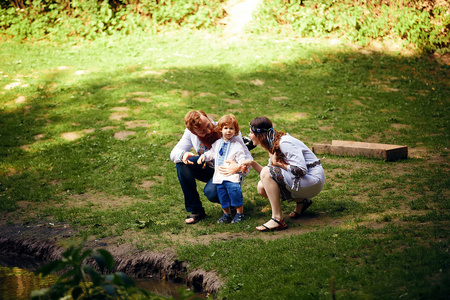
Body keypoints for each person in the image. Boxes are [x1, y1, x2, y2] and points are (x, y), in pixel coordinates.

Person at [170, 110, 253, 224]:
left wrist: (238, 167)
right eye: (202, 131)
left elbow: (248, 156)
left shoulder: (226, 128)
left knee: (211, 192)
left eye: (208, 125)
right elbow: (174, 152)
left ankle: (233, 200)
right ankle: (196, 210)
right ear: (194, 132)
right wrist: (183, 155)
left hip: (228, 171)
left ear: (208, 118)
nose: (209, 131)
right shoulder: (190, 134)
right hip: (209, 167)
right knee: (182, 164)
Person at [247, 116, 325, 231]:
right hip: (302, 179)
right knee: (262, 187)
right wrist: (252, 163)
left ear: (260, 134)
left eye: (250, 132)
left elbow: (301, 170)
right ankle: (301, 201)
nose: (249, 135)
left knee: (266, 174)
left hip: (312, 179)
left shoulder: (284, 142)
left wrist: (278, 164)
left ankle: (277, 219)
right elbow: (267, 177)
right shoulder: (273, 143)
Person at [197, 114, 250, 224]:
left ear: (235, 131)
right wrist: (204, 156)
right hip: (219, 176)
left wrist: (241, 165)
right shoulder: (217, 143)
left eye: (231, 128)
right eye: (226, 128)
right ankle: (227, 214)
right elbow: (212, 153)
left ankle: (240, 213)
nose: (229, 131)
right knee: (222, 195)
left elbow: (241, 158)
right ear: (220, 129)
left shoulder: (237, 145)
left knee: (234, 193)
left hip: (232, 176)